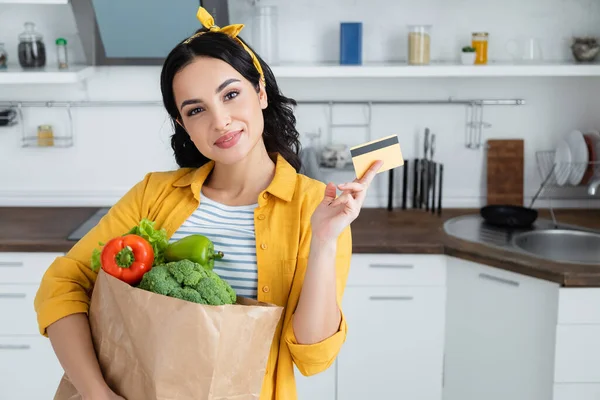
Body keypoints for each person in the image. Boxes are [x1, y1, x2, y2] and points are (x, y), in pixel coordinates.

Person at [34, 6, 382, 400]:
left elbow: (313, 356)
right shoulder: (154, 194)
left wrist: (323, 241)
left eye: (231, 94)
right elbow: (62, 284)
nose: (220, 121)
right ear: (183, 125)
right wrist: (97, 393)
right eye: (196, 109)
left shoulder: (315, 207)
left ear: (261, 93)